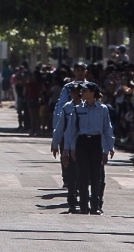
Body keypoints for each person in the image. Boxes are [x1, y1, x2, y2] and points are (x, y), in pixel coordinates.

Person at [65, 82, 115, 215]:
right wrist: (70, 148)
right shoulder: (77, 108)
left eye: (86, 90)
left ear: (93, 92)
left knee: (96, 175)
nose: (83, 93)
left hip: (96, 142)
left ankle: (95, 205)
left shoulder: (102, 109)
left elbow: (107, 129)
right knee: (82, 175)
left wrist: (109, 147)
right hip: (82, 142)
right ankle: (83, 205)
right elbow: (71, 129)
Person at [51, 81, 82, 211]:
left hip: (85, 144)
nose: (78, 95)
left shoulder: (93, 108)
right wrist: (56, 142)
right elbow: (62, 127)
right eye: (75, 93)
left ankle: (87, 202)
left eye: (81, 93)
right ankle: (72, 201)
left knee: (84, 174)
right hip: (70, 144)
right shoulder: (67, 107)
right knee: (71, 173)